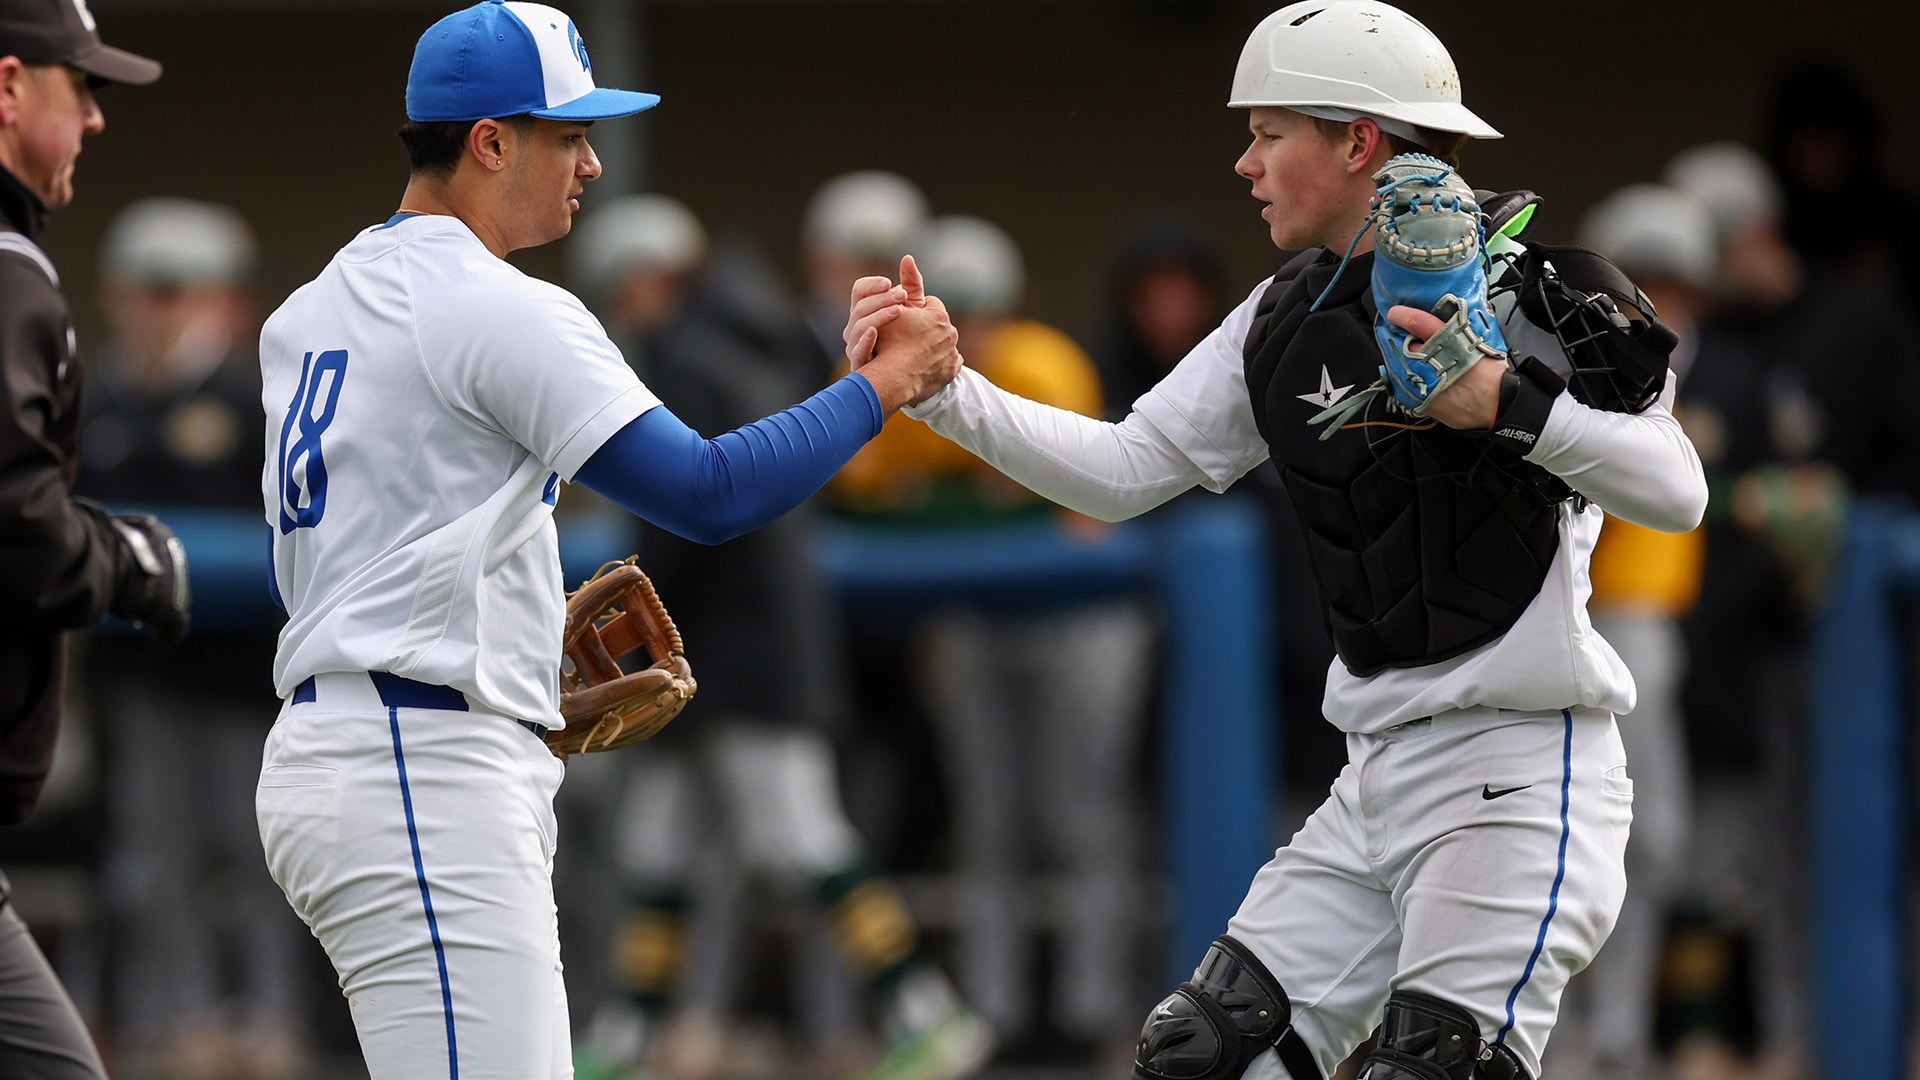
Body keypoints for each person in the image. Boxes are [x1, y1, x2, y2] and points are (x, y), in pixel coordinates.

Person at [846, 3, 1706, 1079]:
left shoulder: (1540, 288)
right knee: (1202, 1057)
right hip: (1375, 780)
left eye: (1269, 132)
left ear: (1357, 140)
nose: (1244, 161)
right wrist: (943, 393)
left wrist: (1506, 404)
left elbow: (1678, 491)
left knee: (1430, 1066)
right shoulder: (1279, 314)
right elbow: (1123, 473)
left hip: (1523, 775)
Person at [250, 3, 960, 1078]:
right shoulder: (497, 305)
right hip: (418, 764)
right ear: (490, 141)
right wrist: (881, 387)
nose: (591, 162)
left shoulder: (312, 307)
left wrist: (510, 641)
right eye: (568, 134)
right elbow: (709, 490)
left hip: (368, 742)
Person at [566, 194, 992, 1080]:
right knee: (660, 840)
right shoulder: (749, 340)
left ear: (647, 279)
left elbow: (692, 512)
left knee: (802, 838)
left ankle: (931, 1012)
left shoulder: (690, 355)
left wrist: (632, 622)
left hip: (742, 646)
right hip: (733, 641)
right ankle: (629, 1035)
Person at [76, 197, 313, 1080]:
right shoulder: (95, 399)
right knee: (151, 862)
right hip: (140, 674)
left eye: (178, 290)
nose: (157, 310)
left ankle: (270, 1022)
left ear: (226, 301)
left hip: (244, 676)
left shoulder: (257, 399)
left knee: (262, 858)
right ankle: (176, 1025)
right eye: (142, 289)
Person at [0, 2, 178, 1076]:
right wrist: (125, 562)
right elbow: (14, 521)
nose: (99, 118)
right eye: (85, 88)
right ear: (10, 88)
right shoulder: (10, 271)